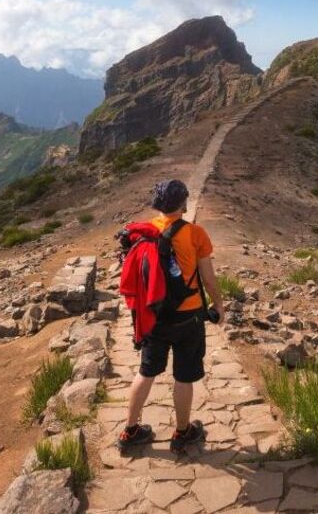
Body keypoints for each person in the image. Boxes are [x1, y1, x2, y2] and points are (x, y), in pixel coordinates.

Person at [118, 179, 225, 453]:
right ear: (184, 203)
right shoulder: (195, 234)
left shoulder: (145, 231)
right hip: (188, 317)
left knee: (146, 372)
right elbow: (209, 279)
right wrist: (219, 306)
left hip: (155, 315)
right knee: (184, 376)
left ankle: (130, 431)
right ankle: (183, 432)